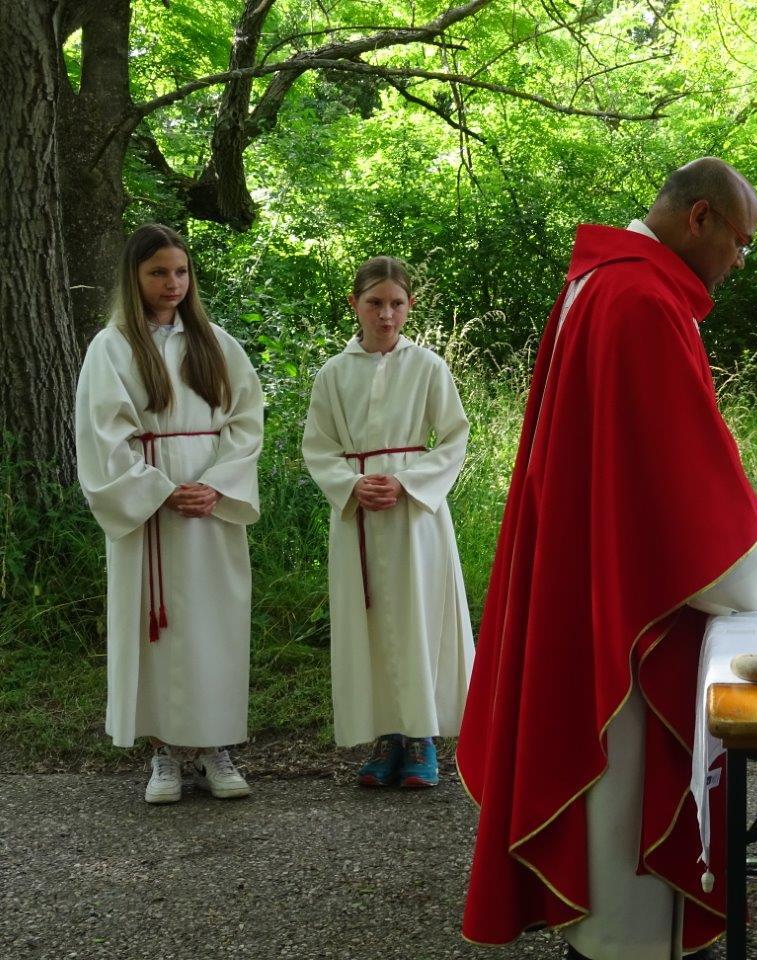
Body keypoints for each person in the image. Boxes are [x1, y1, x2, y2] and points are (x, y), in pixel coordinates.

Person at [456, 158, 757, 959]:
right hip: (624, 592)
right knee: (622, 804)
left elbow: (663, 463)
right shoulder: (640, 300)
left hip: (593, 561)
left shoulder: (608, 282)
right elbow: (678, 489)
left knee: (609, 809)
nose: (740, 261)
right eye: (740, 242)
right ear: (701, 218)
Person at [75, 223, 263, 804]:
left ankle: (214, 746)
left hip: (210, 509)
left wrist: (216, 485)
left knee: (213, 626)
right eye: (158, 272)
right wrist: (157, 490)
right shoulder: (112, 347)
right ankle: (164, 752)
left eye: (180, 271)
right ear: (134, 276)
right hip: (150, 513)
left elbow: (246, 423)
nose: (172, 283)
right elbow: (102, 438)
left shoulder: (216, 343)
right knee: (154, 629)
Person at [302, 256, 473, 789]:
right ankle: (385, 735)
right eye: (374, 303)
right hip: (358, 515)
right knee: (369, 621)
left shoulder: (428, 368)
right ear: (354, 304)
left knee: (418, 617)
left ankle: (421, 736)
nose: (385, 314)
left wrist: (407, 482)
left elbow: (454, 437)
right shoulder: (333, 374)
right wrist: (351, 484)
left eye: (396, 304)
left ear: (410, 306)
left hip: (415, 516)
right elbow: (318, 446)